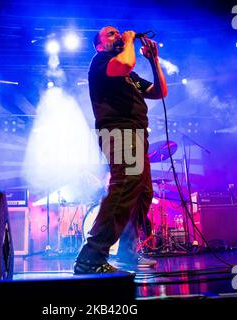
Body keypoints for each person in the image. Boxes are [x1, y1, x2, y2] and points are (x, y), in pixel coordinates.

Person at [74, 26, 167, 274]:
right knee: (124, 187)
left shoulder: (131, 75)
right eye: (111, 34)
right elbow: (124, 64)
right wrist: (128, 41)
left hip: (136, 134)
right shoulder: (101, 61)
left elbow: (160, 92)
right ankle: (91, 257)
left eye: (119, 33)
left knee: (142, 194)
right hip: (119, 131)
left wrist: (154, 61)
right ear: (99, 45)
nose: (118, 35)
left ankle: (127, 253)